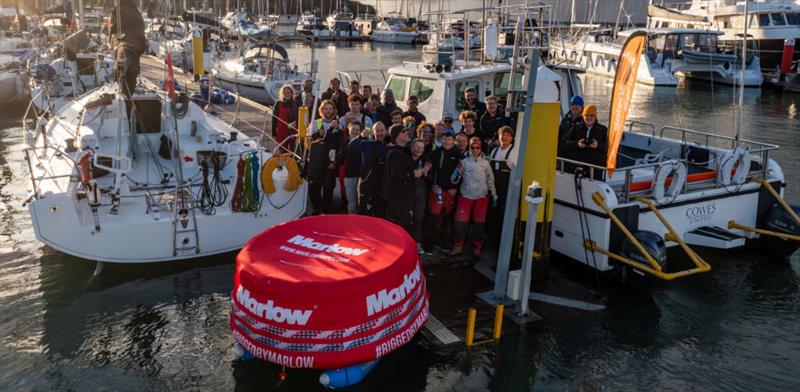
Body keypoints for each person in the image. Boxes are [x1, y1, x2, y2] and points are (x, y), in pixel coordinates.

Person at [450, 138, 497, 258]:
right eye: (472, 147)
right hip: (465, 196)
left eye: (477, 147)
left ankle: (477, 248)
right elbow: (454, 179)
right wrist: (456, 174)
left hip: (481, 198)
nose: (475, 150)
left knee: (479, 225)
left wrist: (494, 195)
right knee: (460, 224)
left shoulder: (486, 163)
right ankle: (458, 247)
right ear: (469, 148)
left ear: (481, 148)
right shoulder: (464, 162)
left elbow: (491, 180)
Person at [306, 100, 344, 214]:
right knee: (315, 188)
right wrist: (318, 134)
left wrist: (335, 161)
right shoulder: (316, 123)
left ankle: (327, 209)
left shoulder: (338, 125)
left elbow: (340, 144)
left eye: (330, 108)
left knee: (328, 186)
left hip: (330, 161)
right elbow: (307, 141)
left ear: (334, 110)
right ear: (322, 110)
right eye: (326, 108)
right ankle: (317, 208)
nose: (328, 111)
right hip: (317, 160)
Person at [427, 129, 460, 251]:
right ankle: (430, 242)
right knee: (434, 218)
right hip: (437, 191)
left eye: (449, 139)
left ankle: (442, 240)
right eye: (445, 139)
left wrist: (455, 188)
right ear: (441, 140)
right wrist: (432, 184)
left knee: (446, 217)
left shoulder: (457, 154)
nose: (447, 141)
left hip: (450, 191)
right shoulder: (435, 153)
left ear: (453, 141)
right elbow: (429, 171)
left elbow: (461, 173)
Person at [382, 124, 419, 234]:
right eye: (403, 131)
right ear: (396, 135)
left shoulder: (402, 151)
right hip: (398, 198)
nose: (407, 133)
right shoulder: (396, 153)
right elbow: (397, 174)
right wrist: (413, 174)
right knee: (401, 226)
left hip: (401, 197)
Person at [485, 126, 516, 248]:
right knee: (492, 216)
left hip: (506, 191)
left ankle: (502, 245)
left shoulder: (513, 152)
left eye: (507, 135)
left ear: (511, 138)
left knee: (503, 217)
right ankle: (492, 242)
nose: (504, 137)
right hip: (494, 190)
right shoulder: (494, 151)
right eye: (502, 135)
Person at [108, 0, 146, 97]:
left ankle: (125, 94)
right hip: (134, 47)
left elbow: (112, 30)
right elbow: (141, 29)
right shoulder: (135, 12)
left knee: (124, 61)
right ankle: (128, 93)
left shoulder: (117, 11)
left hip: (124, 47)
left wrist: (112, 40)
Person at [562, 105, 608, 179]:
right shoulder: (575, 128)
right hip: (577, 167)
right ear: (583, 116)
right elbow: (564, 143)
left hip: (595, 170)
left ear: (595, 116)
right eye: (586, 115)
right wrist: (577, 144)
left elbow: (610, 148)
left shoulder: (603, 130)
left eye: (592, 115)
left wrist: (598, 145)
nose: (589, 117)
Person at [358, 121, 388, 216]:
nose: (380, 133)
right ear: (373, 132)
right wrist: (361, 137)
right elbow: (352, 146)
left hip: (382, 186)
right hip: (368, 185)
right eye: (377, 131)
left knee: (381, 214)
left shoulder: (389, 146)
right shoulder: (366, 144)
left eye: (382, 130)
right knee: (365, 214)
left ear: (386, 131)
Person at [411, 139, 432, 254]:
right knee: (406, 219)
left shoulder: (425, 160)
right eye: (417, 147)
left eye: (421, 148)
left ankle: (417, 244)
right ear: (412, 147)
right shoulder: (406, 159)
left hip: (420, 194)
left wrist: (425, 172)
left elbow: (430, 178)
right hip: (406, 194)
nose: (419, 150)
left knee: (418, 219)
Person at [338, 121, 364, 214]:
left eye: (357, 130)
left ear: (361, 131)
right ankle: (352, 220)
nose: (355, 131)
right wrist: (335, 157)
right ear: (348, 130)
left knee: (361, 202)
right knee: (352, 202)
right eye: (353, 129)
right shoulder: (345, 142)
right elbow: (340, 160)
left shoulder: (364, 142)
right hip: (350, 175)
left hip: (362, 176)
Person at [271, 84, 299, 153]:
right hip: (281, 132)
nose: (287, 94)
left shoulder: (296, 103)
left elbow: (298, 117)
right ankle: (283, 164)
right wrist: (274, 134)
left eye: (289, 92)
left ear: (292, 93)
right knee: (282, 151)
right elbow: (274, 119)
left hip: (293, 131)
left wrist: (296, 123)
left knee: (293, 151)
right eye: (285, 93)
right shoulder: (278, 104)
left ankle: (291, 163)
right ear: (282, 94)